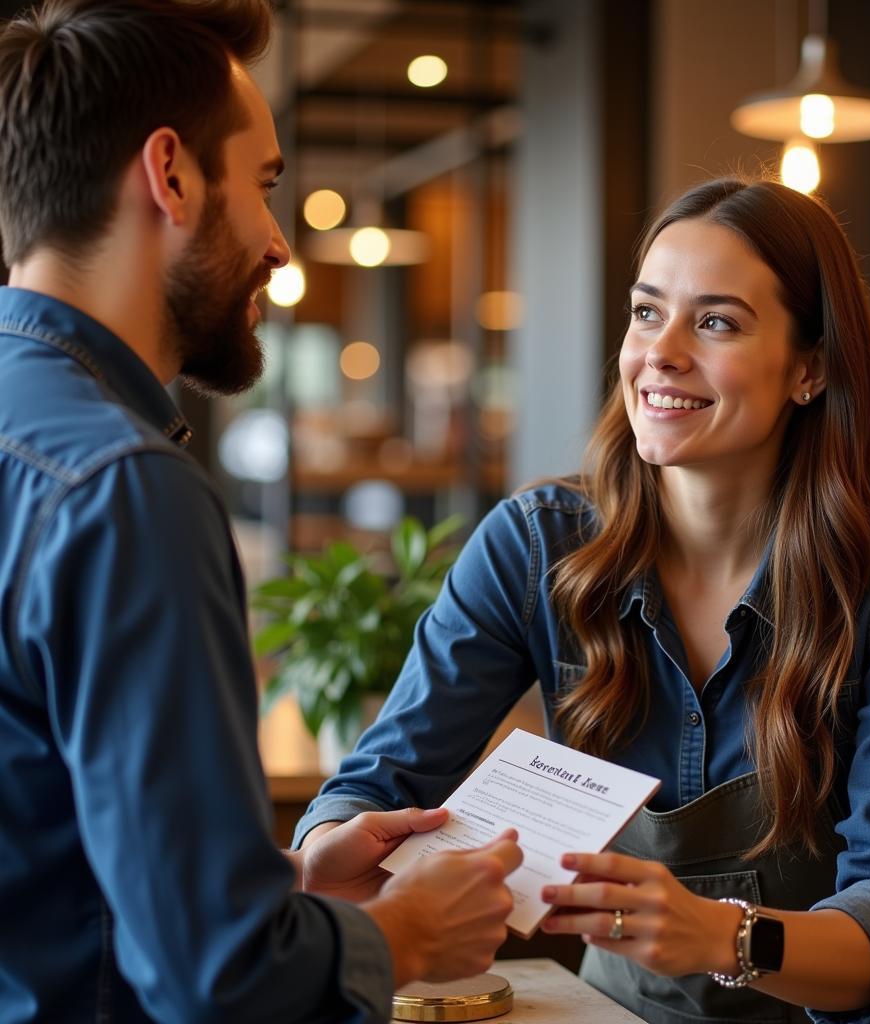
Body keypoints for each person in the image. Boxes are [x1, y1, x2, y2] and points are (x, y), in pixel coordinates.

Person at [294, 177, 870, 1024]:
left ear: (808, 369)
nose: (659, 353)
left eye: (716, 322)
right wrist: (324, 845)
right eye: (645, 312)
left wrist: (723, 937)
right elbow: (377, 781)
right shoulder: (535, 545)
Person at [0, 2, 522, 1022]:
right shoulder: (122, 489)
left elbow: (55, 850)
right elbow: (215, 976)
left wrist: (279, 887)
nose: (280, 245)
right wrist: (404, 932)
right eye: (267, 185)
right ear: (173, 175)